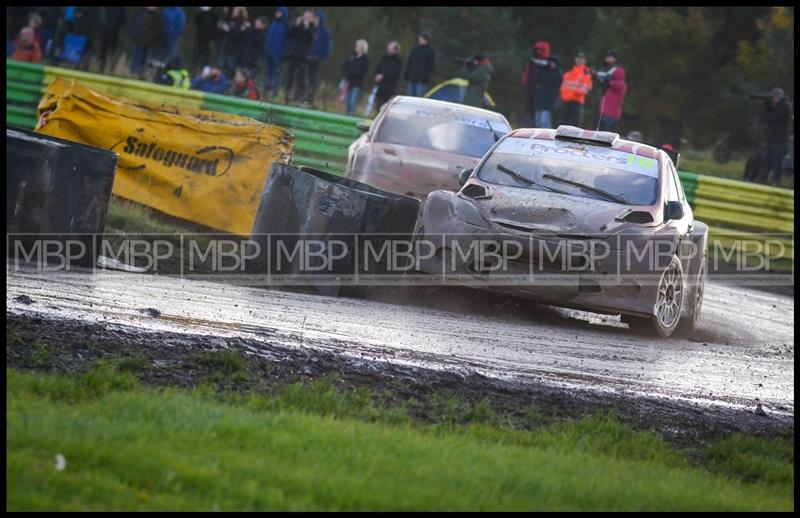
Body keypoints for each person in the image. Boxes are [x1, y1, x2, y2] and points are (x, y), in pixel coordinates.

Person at [756, 88, 792, 185]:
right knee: (765, 162)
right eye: (773, 97)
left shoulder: (785, 106)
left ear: (780, 97)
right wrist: (766, 105)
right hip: (770, 138)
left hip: (779, 140)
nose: (774, 99)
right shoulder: (775, 106)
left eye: (776, 97)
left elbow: (770, 118)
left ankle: (776, 181)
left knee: (777, 163)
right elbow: (766, 117)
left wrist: (765, 107)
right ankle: (761, 180)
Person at [284, 10, 316, 104]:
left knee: (301, 80)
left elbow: (312, 39)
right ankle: (287, 99)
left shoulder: (312, 28)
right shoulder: (299, 25)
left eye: (308, 16)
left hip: (303, 58)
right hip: (293, 56)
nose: (306, 18)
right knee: (289, 79)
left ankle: (302, 100)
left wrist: (307, 27)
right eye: (305, 16)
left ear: (311, 18)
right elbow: (290, 34)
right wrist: (296, 25)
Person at [305, 10, 332, 104]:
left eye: (316, 18)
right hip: (306, 58)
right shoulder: (310, 29)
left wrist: (320, 57)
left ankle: (309, 99)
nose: (314, 20)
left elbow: (327, 47)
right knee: (304, 78)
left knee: (313, 80)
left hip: (316, 59)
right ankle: (301, 96)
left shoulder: (325, 32)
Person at [596, 50, 627, 132]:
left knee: (606, 131)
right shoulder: (610, 84)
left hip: (611, 114)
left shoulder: (620, 84)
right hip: (604, 111)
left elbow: (617, 85)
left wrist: (608, 82)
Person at [559, 52, 593, 127]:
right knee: (562, 124)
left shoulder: (586, 73)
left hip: (576, 102)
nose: (579, 60)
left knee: (574, 126)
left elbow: (586, 88)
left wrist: (573, 92)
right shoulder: (568, 74)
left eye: (581, 58)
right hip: (566, 101)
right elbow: (563, 87)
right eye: (578, 58)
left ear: (585, 61)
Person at [522, 41, 551, 127]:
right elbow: (527, 75)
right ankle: (527, 127)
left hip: (540, 92)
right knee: (529, 111)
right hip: (530, 90)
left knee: (538, 114)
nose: (538, 52)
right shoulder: (532, 62)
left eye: (540, 50)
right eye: (537, 50)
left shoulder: (547, 64)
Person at [371, 41, 403, 115]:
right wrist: (377, 75)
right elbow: (378, 67)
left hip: (389, 87)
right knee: (378, 103)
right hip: (380, 86)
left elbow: (395, 74)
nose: (388, 50)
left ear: (395, 50)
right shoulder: (384, 58)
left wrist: (383, 76)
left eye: (390, 48)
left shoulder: (398, 62)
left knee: (386, 105)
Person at [217, 7, 251, 77]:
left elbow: (237, 35)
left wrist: (229, 30)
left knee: (231, 67)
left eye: (235, 11)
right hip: (226, 46)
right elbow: (221, 27)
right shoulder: (230, 20)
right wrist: (221, 26)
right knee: (220, 64)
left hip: (234, 49)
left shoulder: (243, 23)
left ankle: (230, 80)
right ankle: (221, 80)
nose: (233, 11)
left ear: (240, 12)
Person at [130, 7, 163, 75]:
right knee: (137, 58)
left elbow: (158, 30)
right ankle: (133, 72)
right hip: (139, 40)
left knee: (146, 59)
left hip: (150, 42)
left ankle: (143, 73)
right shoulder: (141, 12)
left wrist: (149, 37)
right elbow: (135, 24)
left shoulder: (159, 16)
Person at [341, 39, 370, 115]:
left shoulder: (365, 60)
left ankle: (351, 117)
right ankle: (346, 117)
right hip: (348, 82)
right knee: (347, 102)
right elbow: (344, 66)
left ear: (363, 48)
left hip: (356, 84)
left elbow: (361, 72)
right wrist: (346, 74)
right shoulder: (351, 56)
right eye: (357, 46)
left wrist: (350, 73)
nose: (357, 47)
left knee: (353, 102)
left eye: (359, 46)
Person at [533, 55, 563, 128]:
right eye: (550, 62)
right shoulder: (544, 70)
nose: (550, 64)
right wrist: (541, 67)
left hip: (549, 100)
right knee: (538, 121)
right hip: (540, 98)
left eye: (552, 62)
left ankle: (547, 137)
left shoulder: (558, 73)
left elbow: (552, 81)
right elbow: (536, 78)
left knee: (544, 121)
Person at [98, 7, 127, 72]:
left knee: (110, 50)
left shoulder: (121, 9)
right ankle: (102, 66)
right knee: (104, 49)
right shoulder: (106, 8)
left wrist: (116, 25)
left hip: (112, 31)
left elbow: (124, 21)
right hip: (106, 30)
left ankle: (109, 67)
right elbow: (101, 16)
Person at [193, 7, 219, 74]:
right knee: (197, 56)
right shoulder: (201, 13)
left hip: (208, 40)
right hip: (200, 39)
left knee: (206, 57)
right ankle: (194, 70)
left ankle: (205, 71)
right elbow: (196, 22)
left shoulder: (214, 15)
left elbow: (215, 28)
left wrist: (213, 38)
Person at [240, 16, 267, 80]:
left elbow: (255, 40)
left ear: (263, 25)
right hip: (246, 56)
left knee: (251, 78)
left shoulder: (263, 34)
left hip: (254, 59)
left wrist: (248, 29)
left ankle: (250, 88)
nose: (256, 25)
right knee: (243, 77)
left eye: (258, 24)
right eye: (256, 23)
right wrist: (243, 30)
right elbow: (244, 39)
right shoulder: (251, 30)